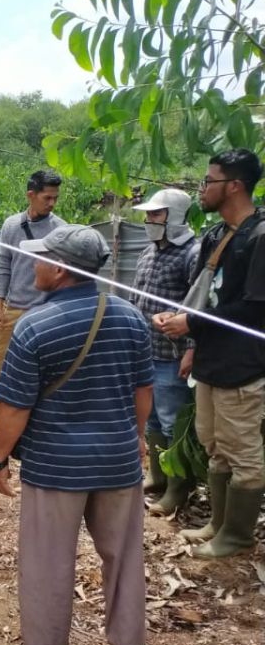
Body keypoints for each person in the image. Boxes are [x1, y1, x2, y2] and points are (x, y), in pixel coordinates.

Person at [0, 225, 153, 645]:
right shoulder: (131, 317)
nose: (34, 264)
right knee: (124, 556)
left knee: (48, 560)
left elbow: (14, 409)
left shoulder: (34, 327)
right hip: (118, 463)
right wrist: (134, 437)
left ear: (59, 270)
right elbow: (142, 393)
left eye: (41, 258)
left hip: (54, 467)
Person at [156, 148, 265, 558]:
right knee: (214, 444)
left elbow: (255, 310)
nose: (202, 189)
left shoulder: (259, 238)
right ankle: (219, 524)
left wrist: (192, 324)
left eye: (209, 181)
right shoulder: (216, 237)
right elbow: (204, 299)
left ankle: (237, 536)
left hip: (242, 365)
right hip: (211, 361)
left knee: (243, 451)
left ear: (234, 186)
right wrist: (190, 341)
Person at [0, 171, 65, 436]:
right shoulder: (12, 226)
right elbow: (3, 266)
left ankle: (38, 424)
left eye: (55, 198)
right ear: (30, 195)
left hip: (45, 311)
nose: (52, 204)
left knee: (43, 372)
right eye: (47, 197)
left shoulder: (61, 230)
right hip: (14, 311)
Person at [127, 189, 201, 516]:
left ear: (174, 216)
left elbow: (201, 307)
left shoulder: (192, 254)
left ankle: (177, 489)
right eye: (148, 215)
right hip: (146, 350)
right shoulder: (149, 251)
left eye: (156, 215)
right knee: (152, 419)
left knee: (173, 423)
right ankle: (157, 478)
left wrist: (193, 350)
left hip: (174, 354)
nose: (148, 221)